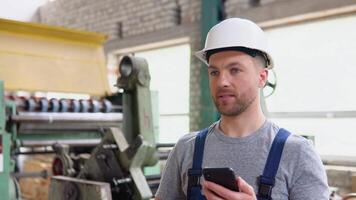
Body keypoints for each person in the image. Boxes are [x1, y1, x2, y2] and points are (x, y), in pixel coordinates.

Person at [155, 18, 329, 200]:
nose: (222, 82)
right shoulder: (186, 149)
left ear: (262, 78)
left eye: (235, 70)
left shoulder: (297, 154)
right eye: (214, 72)